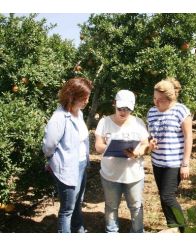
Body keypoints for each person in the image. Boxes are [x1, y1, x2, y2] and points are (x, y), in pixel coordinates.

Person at [42, 77, 93, 233]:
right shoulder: (59, 118)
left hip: (81, 165)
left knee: (78, 201)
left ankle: (79, 230)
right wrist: (52, 161)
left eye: (88, 97)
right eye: (83, 98)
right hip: (67, 168)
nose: (86, 101)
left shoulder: (79, 114)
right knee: (67, 209)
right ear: (72, 97)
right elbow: (49, 145)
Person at [94, 90, 149, 233]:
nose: (123, 112)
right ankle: (112, 232)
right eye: (120, 108)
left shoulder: (138, 122)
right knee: (111, 206)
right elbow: (98, 146)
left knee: (136, 206)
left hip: (133, 174)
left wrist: (137, 152)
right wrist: (111, 148)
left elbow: (145, 144)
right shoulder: (104, 122)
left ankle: (137, 233)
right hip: (110, 174)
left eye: (128, 109)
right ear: (114, 104)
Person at [147, 77, 193, 233]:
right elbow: (150, 134)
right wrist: (149, 143)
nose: (156, 103)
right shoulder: (152, 112)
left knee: (168, 196)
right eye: (154, 98)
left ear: (170, 99)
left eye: (160, 100)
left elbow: (188, 138)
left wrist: (185, 164)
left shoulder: (181, 111)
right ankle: (172, 228)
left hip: (174, 163)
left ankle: (183, 229)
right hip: (157, 161)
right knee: (163, 196)